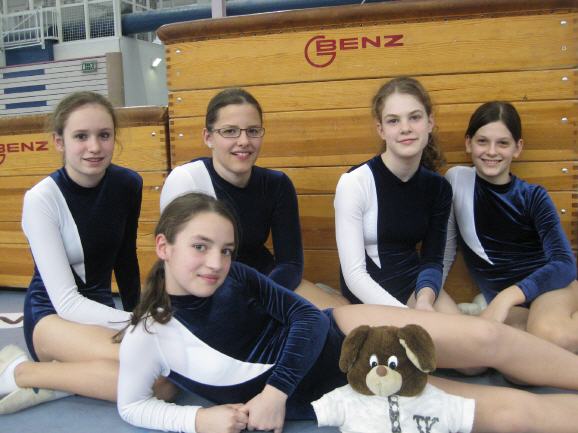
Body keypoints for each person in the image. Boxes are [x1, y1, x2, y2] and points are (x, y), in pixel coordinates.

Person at [119, 192, 578, 433]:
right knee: (512, 416)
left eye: (225, 249)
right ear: (164, 246)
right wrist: (196, 421)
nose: (215, 262)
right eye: (200, 247)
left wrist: (275, 393)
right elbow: (132, 406)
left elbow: (305, 317)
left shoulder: (238, 275)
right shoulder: (150, 334)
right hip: (342, 389)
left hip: (345, 331)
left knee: (486, 338)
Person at [0, 91, 155, 414]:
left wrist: (139, 315)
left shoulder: (127, 184)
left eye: (104, 135)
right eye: (81, 136)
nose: (94, 147)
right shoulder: (42, 199)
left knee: (162, 376)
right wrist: (136, 323)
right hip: (51, 317)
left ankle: (58, 379)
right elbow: (66, 302)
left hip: (99, 312)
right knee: (150, 370)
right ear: (60, 142)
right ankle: (18, 371)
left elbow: (126, 259)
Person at [160, 87, 347, 308]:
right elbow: (178, 264)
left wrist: (262, 295)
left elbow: (290, 263)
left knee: (341, 314)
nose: (244, 141)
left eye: (253, 131)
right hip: (209, 286)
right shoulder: (187, 179)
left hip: (266, 282)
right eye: (230, 131)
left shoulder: (277, 184)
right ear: (208, 137)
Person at [443, 101, 578, 352]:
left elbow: (564, 263)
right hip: (506, 304)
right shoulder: (457, 181)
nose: (491, 151)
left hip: (551, 289)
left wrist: (507, 296)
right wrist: (430, 295)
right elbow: (446, 250)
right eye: (482, 141)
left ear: (518, 148)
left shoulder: (533, 196)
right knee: (500, 352)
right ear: (468, 143)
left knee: (551, 334)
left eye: (503, 143)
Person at [335, 77, 458, 312]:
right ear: (381, 129)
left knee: (471, 332)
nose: (405, 128)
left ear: (430, 122)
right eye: (393, 121)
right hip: (366, 293)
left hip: (414, 287)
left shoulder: (438, 187)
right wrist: (408, 316)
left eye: (415, 117)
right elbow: (354, 275)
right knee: (431, 332)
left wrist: (424, 300)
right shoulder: (355, 182)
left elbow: (432, 260)